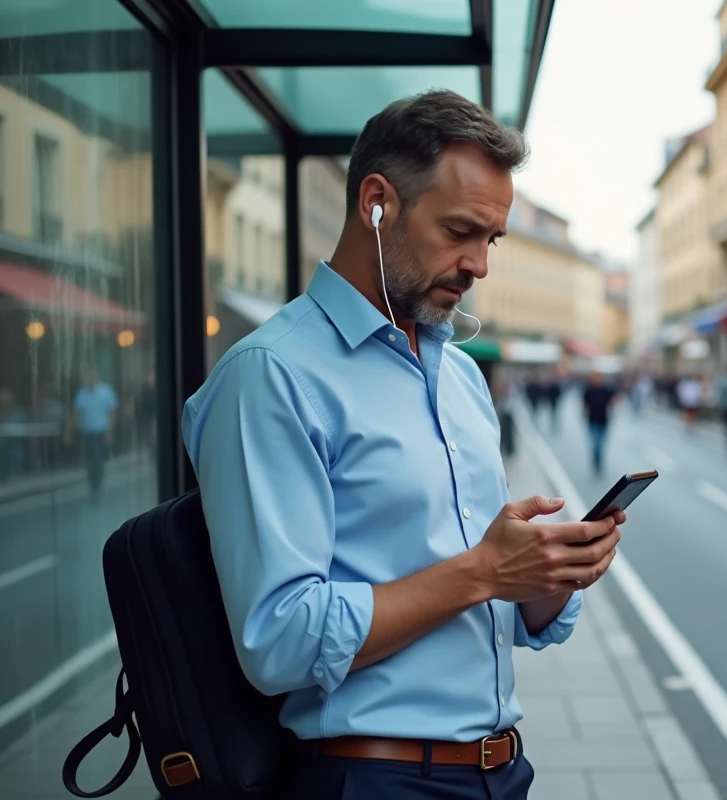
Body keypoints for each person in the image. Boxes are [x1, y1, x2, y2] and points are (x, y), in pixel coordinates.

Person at [181, 91, 624, 800]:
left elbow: (482, 598)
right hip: (373, 778)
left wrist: (545, 574)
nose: (480, 264)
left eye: (493, 240)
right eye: (460, 231)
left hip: (500, 771)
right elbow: (280, 639)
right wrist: (483, 571)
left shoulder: (460, 379)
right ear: (377, 202)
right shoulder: (272, 376)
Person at [68, 367, 117, 498]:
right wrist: (71, 431)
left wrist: (110, 431)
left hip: (100, 431)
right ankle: (92, 482)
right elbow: (76, 414)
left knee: (97, 459)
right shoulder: (81, 394)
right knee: (89, 460)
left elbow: (111, 412)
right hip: (87, 432)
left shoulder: (106, 392)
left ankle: (97, 484)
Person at [582, 371, 618, 475]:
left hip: (603, 420)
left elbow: (614, 401)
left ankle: (599, 463)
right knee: (595, 443)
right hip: (592, 420)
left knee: (601, 444)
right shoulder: (588, 390)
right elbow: (585, 404)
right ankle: (596, 463)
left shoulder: (607, 390)